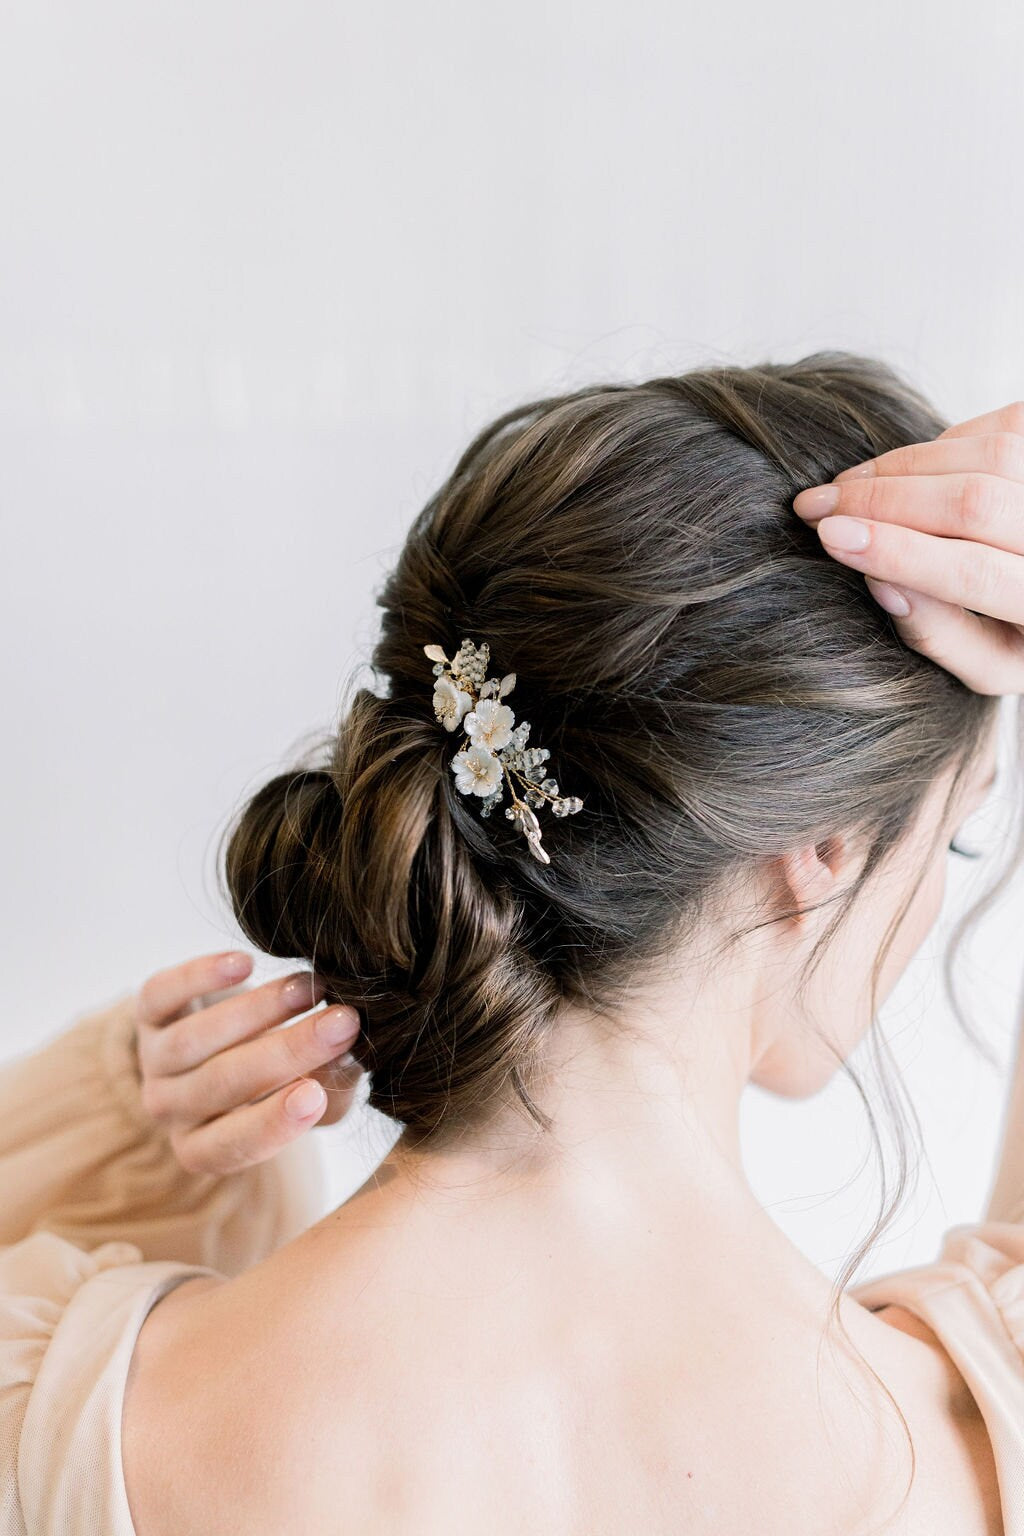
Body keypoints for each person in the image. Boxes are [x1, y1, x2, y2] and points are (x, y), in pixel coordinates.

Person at [3, 355, 1023, 1535]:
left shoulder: (61, 1415)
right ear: (828, 850)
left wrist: (115, 1125)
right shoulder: (979, 1444)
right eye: (952, 840)